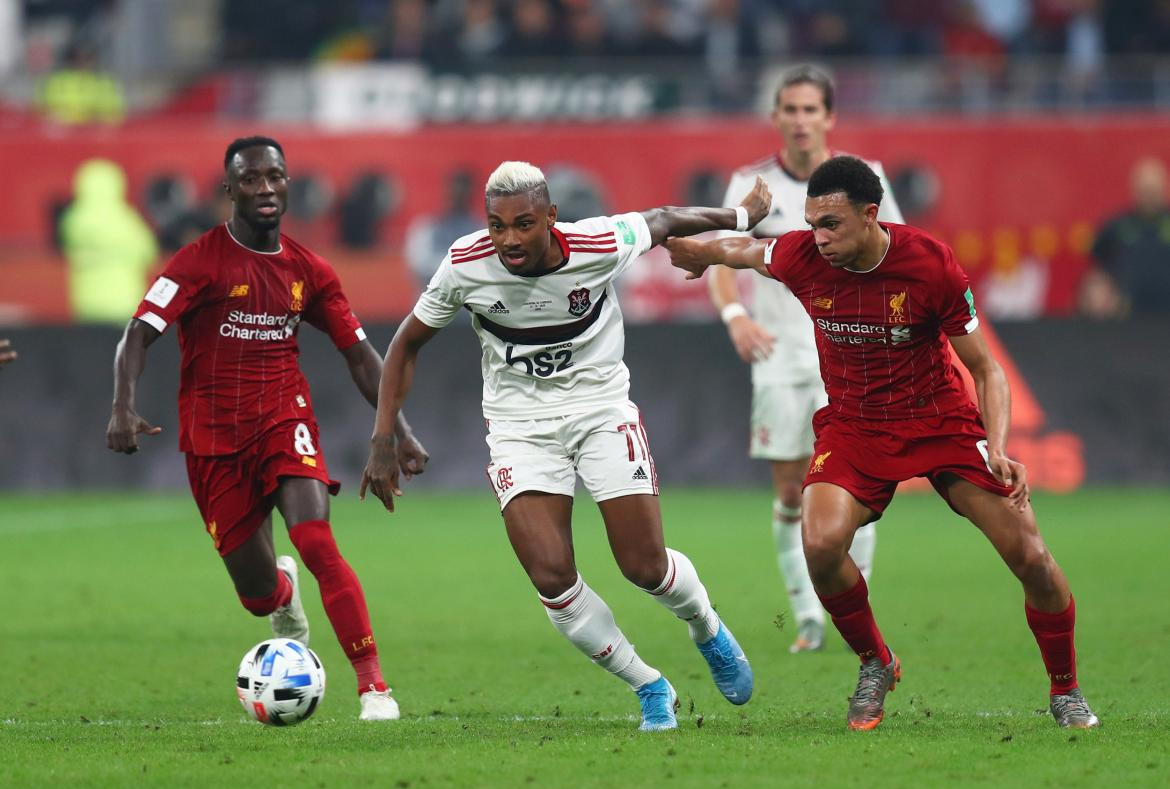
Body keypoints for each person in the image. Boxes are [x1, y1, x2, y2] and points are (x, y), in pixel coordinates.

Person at [666, 156, 1098, 731]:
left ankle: (1065, 689)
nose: (819, 239)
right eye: (812, 223)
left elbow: (988, 371)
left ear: (871, 216)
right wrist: (700, 251)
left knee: (1032, 558)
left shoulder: (930, 264)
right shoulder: (803, 254)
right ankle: (876, 662)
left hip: (938, 422)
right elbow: (748, 252)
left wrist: (996, 446)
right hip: (855, 426)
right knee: (818, 545)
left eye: (832, 225)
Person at [361, 161, 769, 731]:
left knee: (644, 566)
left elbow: (666, 218)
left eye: (523, 224)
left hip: (601, 411)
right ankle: (650, 685)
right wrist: (384, 435)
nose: (508, 240)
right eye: (496, 225)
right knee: (551, 578)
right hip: (518, 427)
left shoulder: (597, 243)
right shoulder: (464, 265)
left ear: (551, 218)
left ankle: (706, 627)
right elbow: (405, 345)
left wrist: (744, 215)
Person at [106, 136, 429, 721]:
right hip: (212, 441)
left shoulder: (309, 270)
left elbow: (359, 353)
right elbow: (138, 333)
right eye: (251, 180)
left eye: (275, 177)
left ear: (288, 183)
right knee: (257, 598)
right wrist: (122, 404)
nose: (265, 189)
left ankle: (374, 687)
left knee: (316, 543)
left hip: (285, 418)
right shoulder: (198, 261)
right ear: (229, 189)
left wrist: (397, 429)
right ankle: (281, 594)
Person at [708, 65, 905, 654]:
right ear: (775, 117)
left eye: (809, 110)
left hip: (851, 356)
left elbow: (896, 252)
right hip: (780, 356)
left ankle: (854, 603)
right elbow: (721, 255)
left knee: (859, 485)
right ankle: (808, 619)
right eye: (789, 109)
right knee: (793, 489)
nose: (799, 120)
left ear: (829, 117)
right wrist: (735, 316)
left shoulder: (864, 180)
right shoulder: (752, 184)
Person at [59, 158, 159, 325]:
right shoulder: (127, 220)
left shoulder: (73, 220)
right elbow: (149, 252)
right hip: (124, 303)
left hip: (86, 304)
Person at [1081, 156, 1170, 318]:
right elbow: (1097, 264)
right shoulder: (1117, 226)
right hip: (1127, 318)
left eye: (1153, 190)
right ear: (1135, 189)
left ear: (1164, 188)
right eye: (1145, 190)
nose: (1149, 196)